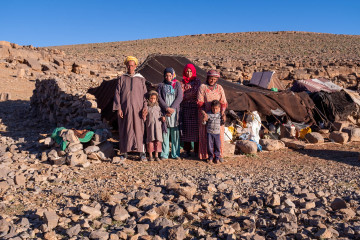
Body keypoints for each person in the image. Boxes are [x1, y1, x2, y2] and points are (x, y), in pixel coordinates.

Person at [113, 56, 148, 161]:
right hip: (125, 109)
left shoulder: (141, 79)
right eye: (128, 65)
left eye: (132, 65)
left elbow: (145, 95)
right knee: (125, 129)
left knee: (140, 130)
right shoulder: (122, 78)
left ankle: (141, 152)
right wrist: (118, 108)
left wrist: (145, 107)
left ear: (135, 66)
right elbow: (117, 94)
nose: (130, 67)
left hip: (138, 110)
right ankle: (124, 152)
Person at [197, 70, 227, 161]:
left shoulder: (219, 88)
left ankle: (218, 155)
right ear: (207, 78)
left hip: (218, 115)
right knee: (206, 136)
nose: (212, 81)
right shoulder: (202, 87)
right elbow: (200, 103)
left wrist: (223, 112)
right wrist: (204, 114)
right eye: (211, 79)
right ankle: (207, 155)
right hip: (205, 114)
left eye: (214, 79)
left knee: (219, 135)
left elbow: (223, 102)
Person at [157, 67, 183, 160]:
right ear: (164, 76)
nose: (168, 77)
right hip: (165, 112)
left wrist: (172, 108)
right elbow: (159, 98)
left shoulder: (177, 85)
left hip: (175, 113)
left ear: (173, 75)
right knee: (165, 133)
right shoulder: (161, 85)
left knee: (175, 134)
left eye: (170, 75)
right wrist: (166, 108)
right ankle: (164, 154)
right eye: (166, 75)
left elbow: (180, 97)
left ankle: (175, 154)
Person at [180, 63, 201, 157]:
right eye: (187, 71)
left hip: (195, 108)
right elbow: (181, 94)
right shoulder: (182, 82)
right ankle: (187, 150)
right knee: (186, 129)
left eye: (190, 71)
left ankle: (197, 150)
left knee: (196, 130)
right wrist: (188, 95)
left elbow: (196, 92)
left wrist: (187, 95)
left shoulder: (197, 81)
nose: (188, 73)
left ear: (193, 72)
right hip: (185, 108)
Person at [145, 91, 164, 161]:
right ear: (149, 99)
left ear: (156, 99)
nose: (153, 100)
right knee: (150, 140)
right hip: (150, 127)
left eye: (154, 98)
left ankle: (156, 155)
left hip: (158, 127)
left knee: (157, 140)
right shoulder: (147, 107)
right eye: (151, 98)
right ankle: (150, 155)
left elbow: (161, 115)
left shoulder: (158, 107)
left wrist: (162, 118)